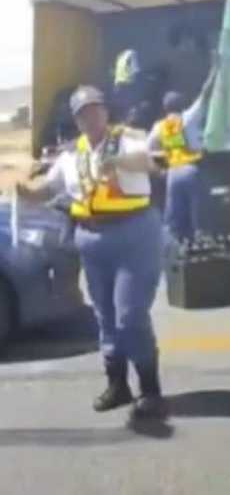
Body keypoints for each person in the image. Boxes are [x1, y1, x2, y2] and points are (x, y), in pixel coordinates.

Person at [16, 86, 167, 417]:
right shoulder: (72, 154)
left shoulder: (127, 138)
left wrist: (117, 161)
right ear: (76, 119)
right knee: (105, 317)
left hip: (134, 234)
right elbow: (46, 189)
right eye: (84, 112)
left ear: (106, 111)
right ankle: (117, 385)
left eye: (96, 109)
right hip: (92, 238)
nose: (92, 116)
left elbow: (154, 163)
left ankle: (150, 389)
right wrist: (23, 187)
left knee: (130, 316)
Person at [149, 87, 209, 243]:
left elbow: (149, 151)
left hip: (173, 173)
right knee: (198, 213)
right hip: (191, 169)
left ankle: (173, 249)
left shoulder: (159, 126)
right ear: (183, 106)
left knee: (173, 218)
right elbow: (203, 98)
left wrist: (162, 167)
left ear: (165, 108)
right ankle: (200, 241)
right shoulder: (188, 118)